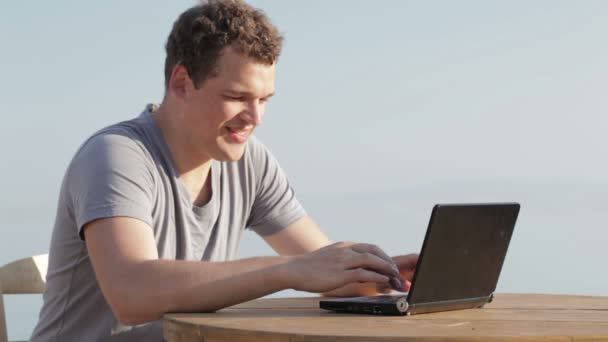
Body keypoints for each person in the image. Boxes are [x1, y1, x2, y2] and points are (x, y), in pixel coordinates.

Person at [30, 1, 418, 341]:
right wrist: (291, 270)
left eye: (264, 99)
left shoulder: (250, 161)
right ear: (181, 83)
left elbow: (319, 266)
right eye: (237, 97)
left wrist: (376, 273)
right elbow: (132, 295)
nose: (255, 117)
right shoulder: (116, 156)